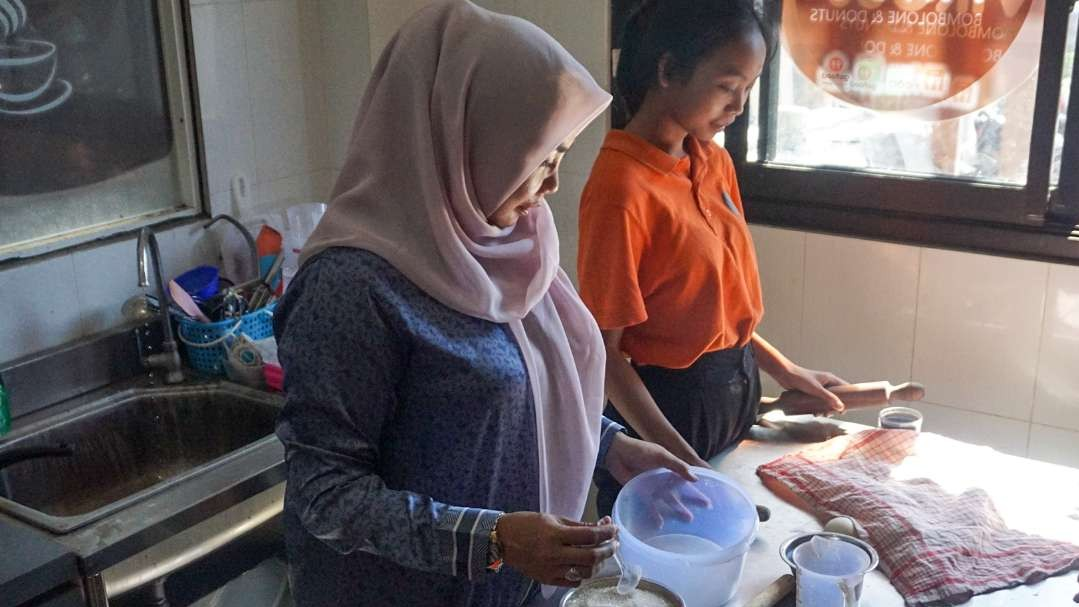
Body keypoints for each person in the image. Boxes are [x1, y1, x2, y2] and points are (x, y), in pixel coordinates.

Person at [273, 2, 695, 606]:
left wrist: (609, 445)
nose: (551, 184)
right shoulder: (352, 287)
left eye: (561, 156)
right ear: (463, 137)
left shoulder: (517, 249)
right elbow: (325, 493)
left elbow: (508, 397)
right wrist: (493, 538)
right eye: (539, 157)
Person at [577, 0, 848, 518]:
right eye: (728, 86)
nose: (740, 105)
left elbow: (717, 307)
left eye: (748, 89)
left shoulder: (712, 160)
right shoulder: (621, 187)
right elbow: (605, 356)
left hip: (737, 390)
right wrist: (684, 461)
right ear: (667, 70)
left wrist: (788, 372)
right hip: (669, 414)